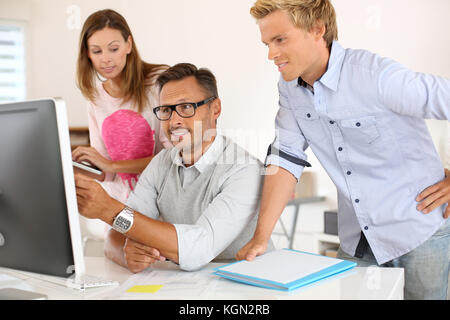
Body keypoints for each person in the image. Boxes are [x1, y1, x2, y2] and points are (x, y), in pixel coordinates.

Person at [237, 0, 450, 300]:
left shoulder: (376, 76)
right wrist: (261, 238)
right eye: (267, 43)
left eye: (280, 39)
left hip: (419, 232)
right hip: (357, 239)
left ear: (317, 29)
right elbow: (286, 158)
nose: (271, 54)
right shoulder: (289, 89)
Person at [75, 63, 273, 272]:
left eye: (186, 107)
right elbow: (117, 235)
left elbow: (199, 248)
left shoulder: (244, 170)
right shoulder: (161, 164)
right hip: (184, 286)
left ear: (215, 109)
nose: (174, 120)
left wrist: (109, 210)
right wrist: (127, 254)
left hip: (245, 288)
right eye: (166, 110)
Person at [73, 9, 171, 203]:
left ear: (128, 45)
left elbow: (172, 159)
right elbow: (107, 174)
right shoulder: (95, 99)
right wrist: (77, 168)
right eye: (97, 51)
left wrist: (112, 166)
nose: (106, 59)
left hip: (161, 205)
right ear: (88, 54)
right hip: (119, 209)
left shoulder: (160, 82)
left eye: (114, 48)